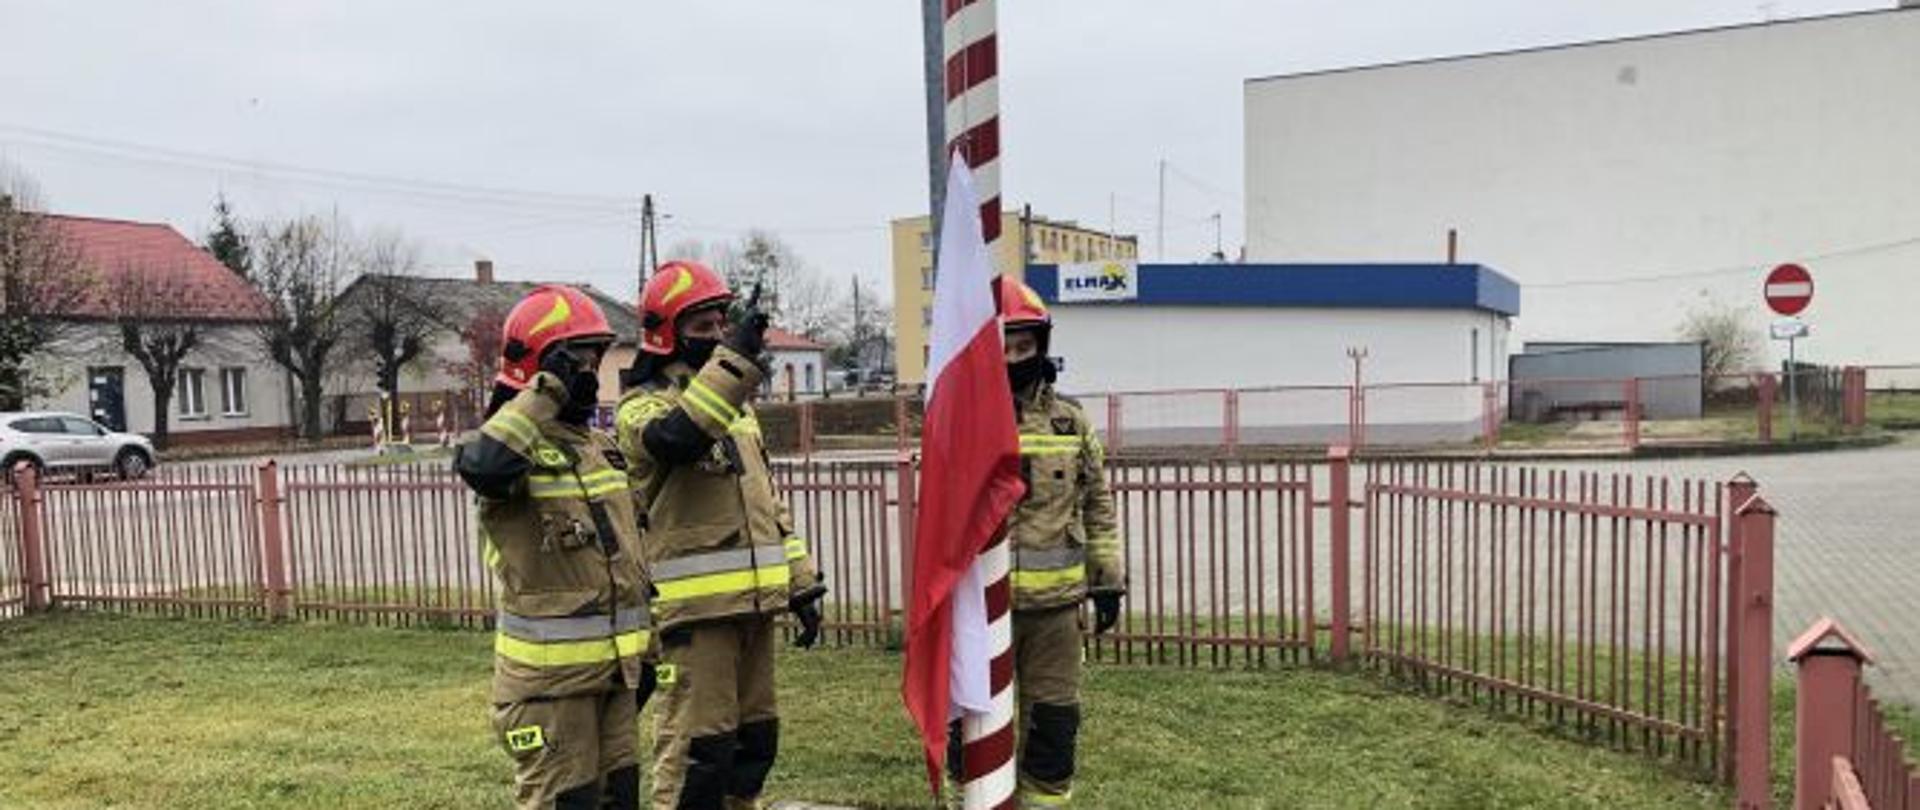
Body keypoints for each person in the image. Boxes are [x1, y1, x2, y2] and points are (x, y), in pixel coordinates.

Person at [614, 259, 826, 810]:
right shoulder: (643, 409)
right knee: (697, 759)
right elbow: (680, 437)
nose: (713, 337)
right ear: (666, 333)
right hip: (695, 618)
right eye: (701, 327)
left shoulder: (738, 409)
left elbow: (768, 505)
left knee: (753, 747)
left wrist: (800, 583)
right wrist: (733, 360)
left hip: (755, 608)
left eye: (719, 324)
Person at [454, 284, 655, 809]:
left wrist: (645, 654)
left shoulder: (599, 449)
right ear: (539, 369)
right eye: (574, 361)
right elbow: (484, 466)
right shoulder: (507, 447)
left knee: (620, 800)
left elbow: (630, 559)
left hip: (612, 677)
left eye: (593, 359)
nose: (588, 373)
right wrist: (542, 393)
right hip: (548, 690)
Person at [977, 276, 1127, 808]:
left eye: (1024, 346)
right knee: (971, 736)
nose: (1015, 357)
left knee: (1054, 732)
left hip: (1057, 613)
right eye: (1004, 347)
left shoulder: (1072, 420)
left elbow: (1097, 504)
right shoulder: (966, 418)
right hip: (982, 610)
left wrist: (1107, 580)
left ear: (1042, 345)